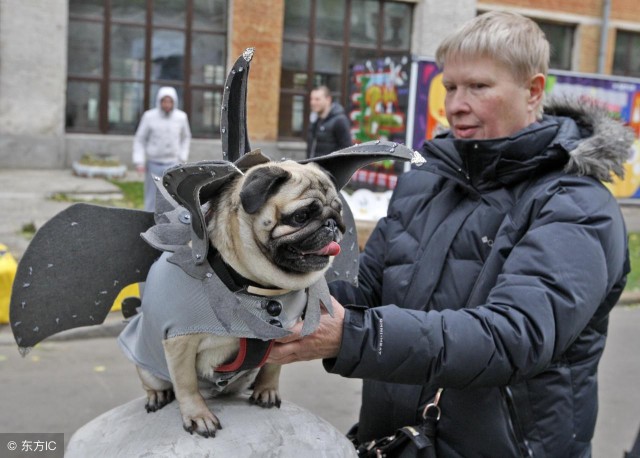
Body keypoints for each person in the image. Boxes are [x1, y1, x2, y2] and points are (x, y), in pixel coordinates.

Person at [268, 11, 632, 457]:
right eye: (451, 87)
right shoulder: (423, 184)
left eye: (478, 87)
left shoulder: (576, 204)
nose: (457, 104)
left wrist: (354, 336)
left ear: (533, 90)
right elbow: (362, 293)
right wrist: (279, 276)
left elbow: (512, 337)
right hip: (400, 440)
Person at [133, 86, 191, 212]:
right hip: (153, 163)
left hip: (173, 164)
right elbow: (140, 139)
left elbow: (186, 138)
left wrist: (182, 157)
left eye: (170, 101)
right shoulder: (149, 116)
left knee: (172, 195)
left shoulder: (181, 117)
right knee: (151, 195)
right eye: (164, 101)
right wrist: (139, 162)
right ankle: (148, 218)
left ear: (174, 102)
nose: (167, 104)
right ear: (159, 101)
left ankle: (169, 221)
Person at [306, 85, 352, 158]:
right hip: (313, 167)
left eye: (317, 99)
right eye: (311, 99)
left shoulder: (339, 121)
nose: (313, 102)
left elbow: (347, 150)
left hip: (330, 168)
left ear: (328, 99)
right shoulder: (314, 120)